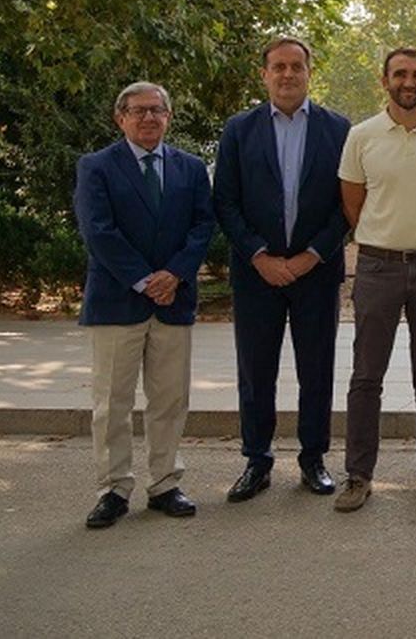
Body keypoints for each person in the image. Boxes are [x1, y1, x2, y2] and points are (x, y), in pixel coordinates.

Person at [213, 36, 350, 502]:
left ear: (311, 72)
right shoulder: (238, 130)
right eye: (279, 67)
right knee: (256, 370)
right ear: (264, 74)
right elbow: (225, 202)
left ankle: (313, 458)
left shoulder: (338, 130)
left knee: (317, 369)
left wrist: (313, 254)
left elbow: (347, 206)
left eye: (297, 66)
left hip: (317, 270)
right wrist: (259, 256)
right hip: (257, 274)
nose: (288, 74)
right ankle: (257, 460)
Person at [74, 81, 215, 528]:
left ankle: (165, 484)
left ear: (169, 117)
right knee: (112, 402)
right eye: (138, 111)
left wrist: (175, 274)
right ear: (121, 118)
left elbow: (202, 226)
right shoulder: (96, 166)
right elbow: (98, 230)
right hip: (117, 302)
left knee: (170, 399)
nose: (149, 118)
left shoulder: (191, 168)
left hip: (174, 301)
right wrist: (143, 280)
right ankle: (113, 488)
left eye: (157, 110)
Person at [334, 47, 416, 512]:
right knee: (367, 375)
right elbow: (353, 206)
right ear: (385, 79)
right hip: (377, 267)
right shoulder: (361, 136)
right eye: (400, 74)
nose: (408, 81)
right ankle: (358, 475)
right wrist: (388, 237)